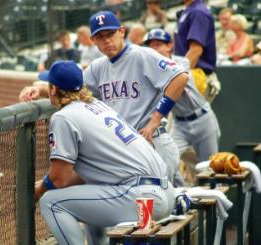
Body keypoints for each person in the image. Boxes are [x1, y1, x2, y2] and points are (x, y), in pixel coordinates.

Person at [20, 11, 189, 186]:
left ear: (121, 31)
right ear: (93, 41)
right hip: (129, 152)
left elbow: (180, 77)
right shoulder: (98, 67)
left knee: (160, 208)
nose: (107, 40)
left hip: (154, 143)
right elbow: (69, 88)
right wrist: (38, 89)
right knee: (160, 207)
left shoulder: (141, 55)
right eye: (100, 37)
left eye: (110, 34)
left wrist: (155, 120)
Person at [35, 60, 176, 245]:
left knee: (50, 202)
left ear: (53, 89)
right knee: (88, 190)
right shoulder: (98, 106)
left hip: (141, 197)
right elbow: (79, 177)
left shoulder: (63, 116)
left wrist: (39, 189)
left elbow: (59, 179)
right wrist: (46, 181)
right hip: (165, 193)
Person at [144, 28, 220, 164]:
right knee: (167, 161)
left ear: (169, 46)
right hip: (179, 125)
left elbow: (175, 81)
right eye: (151, 45)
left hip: (202, 118)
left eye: (158, 44)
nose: (153, 49)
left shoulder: (181, 62)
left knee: (210, 165)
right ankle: (178, 185)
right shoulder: (152, 70)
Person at [174, 0, 220, 103]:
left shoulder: (198, 12)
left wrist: (178, 76)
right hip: (188, 74)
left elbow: (196, 50)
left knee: (190, 119)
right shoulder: (188, 10)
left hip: (196, 77)